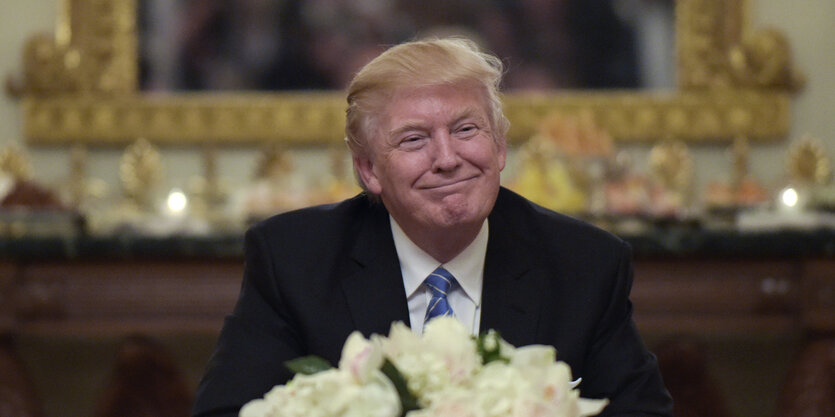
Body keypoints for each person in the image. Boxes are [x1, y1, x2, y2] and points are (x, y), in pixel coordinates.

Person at [192, 37, 672, 417]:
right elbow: (229, 412)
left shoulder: (585, 263)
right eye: (414, 139)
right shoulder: (294, 260)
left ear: (500, 147)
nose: (447, 159)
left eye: (466, 130)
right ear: (369, 171)